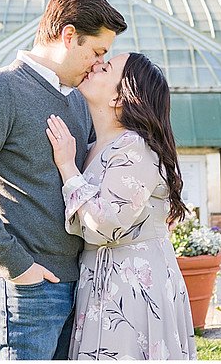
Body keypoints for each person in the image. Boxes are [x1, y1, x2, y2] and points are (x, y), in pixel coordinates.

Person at [0, 0, 128, 360]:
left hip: (75, 284)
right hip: (24, 291)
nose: (98, 64)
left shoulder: (75, 99)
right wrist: (16, 265)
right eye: (97, 52)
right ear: (68, 36)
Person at [46, 52, 197, 360]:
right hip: (103, 283)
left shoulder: (134, 146)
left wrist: (66, 167)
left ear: (121, 97)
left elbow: (106, 224)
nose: (95, 66)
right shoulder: (92, 148)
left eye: (106, 68)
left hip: (133, 289)